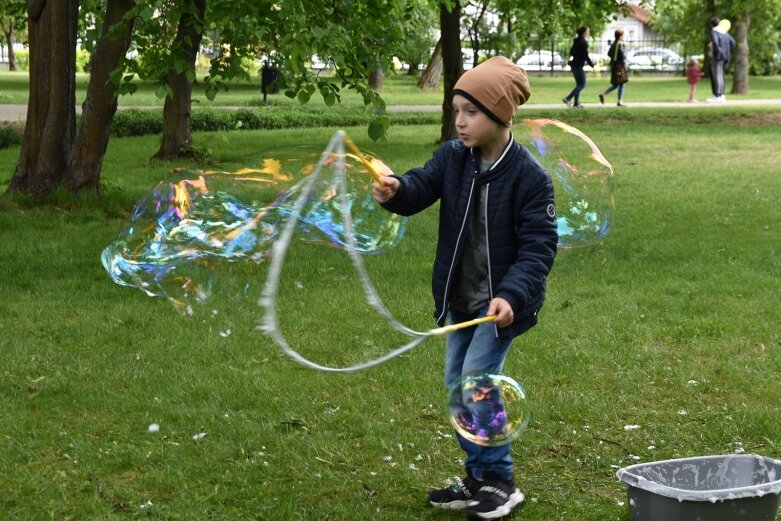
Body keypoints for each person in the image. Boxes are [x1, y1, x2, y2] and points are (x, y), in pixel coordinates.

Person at [371, 56, 558, 519]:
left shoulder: (530, 178)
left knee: (476, 384)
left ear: (499, 114)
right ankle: (477, 477)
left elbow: (539, 247)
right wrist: (398, 189)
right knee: (458, 385)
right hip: (460, 301)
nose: (459, 120)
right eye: (456, 110)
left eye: (471, 112)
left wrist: (511, 295)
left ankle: (501, 482)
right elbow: (422, 185)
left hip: (499, 307)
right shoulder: (454, 158)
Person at [563, 26, 595, 108]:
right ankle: (568, 98)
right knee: (582, 84)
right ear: (584, 32)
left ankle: (576, 103)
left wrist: (578, 55)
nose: (588, 33)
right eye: (588, 31)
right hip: (578, 66)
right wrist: (592, 65)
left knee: (579, 84)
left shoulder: (577, 41)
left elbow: (571, 52)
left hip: (574, 65)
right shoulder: (583, 42)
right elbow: (585, 56)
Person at [708, 17, 735, 102]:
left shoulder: (714, 31)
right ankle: (722, 95)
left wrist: (718, 51)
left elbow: (715, 42)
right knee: (721, 76)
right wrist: (726, 50)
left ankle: (717, 95)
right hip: (726, 56)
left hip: (718, 56)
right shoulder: (725, 33)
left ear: (712, 24)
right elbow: (733, 42)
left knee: (716, 76)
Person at [598, 29, 628, 107]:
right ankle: (619, 101)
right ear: (620, 36)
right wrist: (624, 55)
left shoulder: (614, 44)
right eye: (623, 35)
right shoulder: (619, 44)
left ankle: (604, 94)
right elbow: (622, 56)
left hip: (614, 66)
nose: (624, 37)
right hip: (619, 67)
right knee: (621, 82)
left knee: (617, 83)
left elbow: (609, 53)